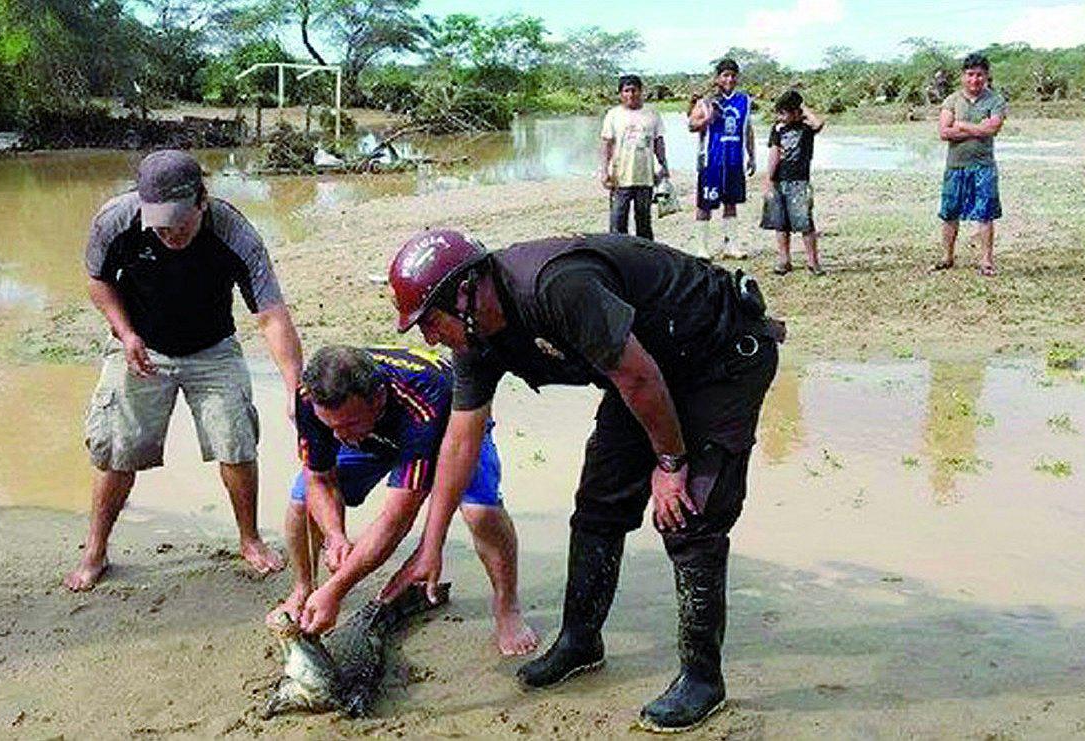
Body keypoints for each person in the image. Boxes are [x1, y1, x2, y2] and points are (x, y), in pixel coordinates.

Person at [354, 229, 782, 731]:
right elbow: (460, 439)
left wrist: (670, 464)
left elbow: (638, 378)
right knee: (599, 505)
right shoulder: (474, 341)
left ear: (466, 292)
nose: (428, 337)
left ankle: (703, 680)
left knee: (689, 517)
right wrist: (431, 545)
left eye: (429, 321)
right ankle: (580, 642)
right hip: (643, 369)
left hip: (720, 357)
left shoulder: (557, 286)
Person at [64, 149, 304, 591]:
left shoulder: (236, 234)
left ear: (202, 202)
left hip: (212, 348)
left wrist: (294, 387)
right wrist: (125, 332)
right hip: (140, 345)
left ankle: (249, 539)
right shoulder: (115, 221)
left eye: (182, 221)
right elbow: (98, 280)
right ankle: (96, 549)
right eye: (162, 224)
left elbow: (270, 315)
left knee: (237, 442)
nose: (172, 233)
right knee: (119, 449)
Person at [273, 344, 538, 655]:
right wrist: (335, 536)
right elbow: (320, 479)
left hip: (447, 431)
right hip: (375, 435)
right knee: (301, 501)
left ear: (378, 398)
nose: (341, 437)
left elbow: (397, 517)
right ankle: (304, 587)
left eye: (348, 424)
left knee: (481, 512)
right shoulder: (311, 397)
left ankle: (507, 605)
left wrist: (337, 589)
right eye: (332, 427)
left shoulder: (424, 400)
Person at [931, 52, 1007, 277]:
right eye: (971, 75)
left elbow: (992, 129)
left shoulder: (995, 100)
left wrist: (961, 125)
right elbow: (944, 132)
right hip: (955, 166)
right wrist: (978, 129)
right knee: (949, 213)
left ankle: (986, 261)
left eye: (980, 75)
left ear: (987, 76)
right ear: (963, 76)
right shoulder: (952, 100)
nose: (975, 80)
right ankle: (947, 257)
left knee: (985, 214)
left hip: (984, 166)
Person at [688, 59, 756, 259]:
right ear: (718, 78)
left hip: (734, 159)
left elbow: (748, 130)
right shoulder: (706, 101)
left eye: (733, 75)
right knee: (705, 204)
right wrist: (708, 118)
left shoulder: (744, 100)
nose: (730, 79)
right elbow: (692, 125)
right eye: (725, 75)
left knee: (731, 203)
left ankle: (731, 245)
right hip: (712, 160)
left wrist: (752, 156)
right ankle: (702, 248)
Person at [760, 90, 825, 275]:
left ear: (796, 112)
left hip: (800, 182)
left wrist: (803, 107)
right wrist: (769, 179)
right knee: (781, 223)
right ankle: (784, 260)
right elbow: (774, 153)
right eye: (778, 113)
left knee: (805, 222)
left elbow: (819, 123)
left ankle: (813, 261)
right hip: (780, 180)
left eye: (784, 113)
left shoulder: (806, 128)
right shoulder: (777, 129)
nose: (780, 117)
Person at [600, 74, 669, 240]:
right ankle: (618, 258)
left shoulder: (652, 115)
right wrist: (604, 171)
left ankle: (645, 258)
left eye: (634, 90)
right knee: (618, 221)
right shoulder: (613, 115)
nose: (631, 95)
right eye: (626, 91)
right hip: (620, 177)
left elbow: (658, 142)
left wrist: (664, 166)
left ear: (641, 91)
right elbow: (606, 144)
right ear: (620, 94)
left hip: (645, 177)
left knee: (644, 221)